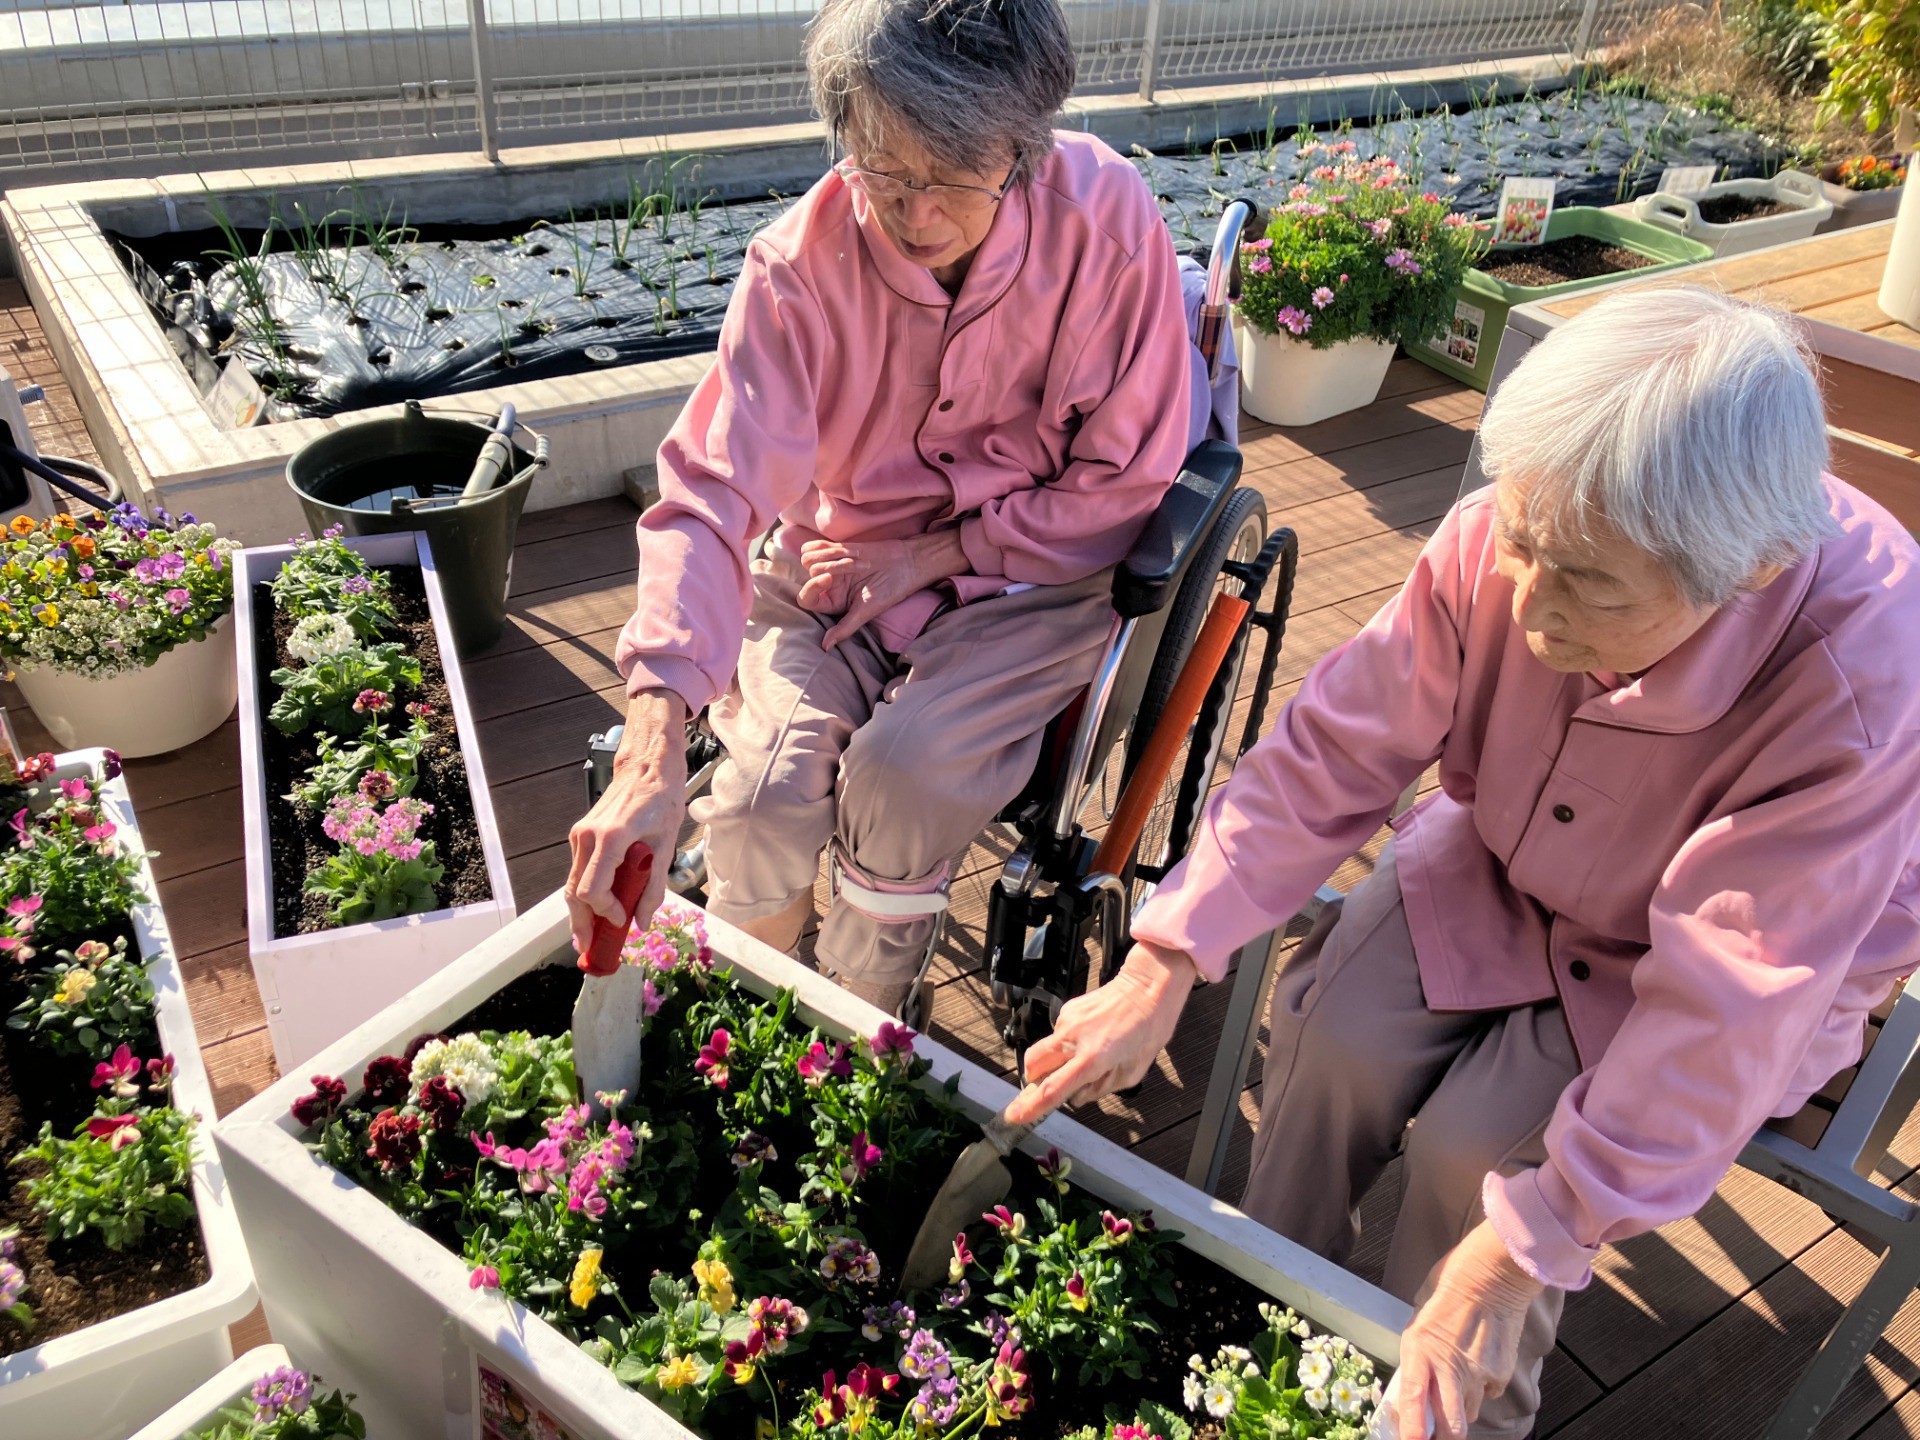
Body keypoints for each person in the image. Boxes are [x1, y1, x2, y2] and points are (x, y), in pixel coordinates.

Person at [1012, 286, 1920, 1438]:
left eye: (1590, 584)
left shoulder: (1858, 679)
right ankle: (1258, 1337)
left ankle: (1440, 1415)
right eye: (1525, 543)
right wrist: (1169, 953)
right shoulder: (1528, 525)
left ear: (1740, 576)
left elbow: (1734, 994)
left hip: (1707, 976)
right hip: (1502, 855)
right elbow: (1338, 748)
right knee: (1328, 1038)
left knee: (1476, 1166)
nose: (1530, 608)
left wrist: (1526, 1246)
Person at [567, 0, 1192, 1012]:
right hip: (834, 567)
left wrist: (942, 553)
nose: (918, 216)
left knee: (902, 782)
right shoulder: (798, 266)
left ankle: (861, 1043)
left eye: (954, 176)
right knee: (761, 798)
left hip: (1034, 578)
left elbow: (1128, 478)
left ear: (1026, 150)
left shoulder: (1106, 224)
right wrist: (652, 736)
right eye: (885, 169)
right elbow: (712, 493)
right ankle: (745, 1040)